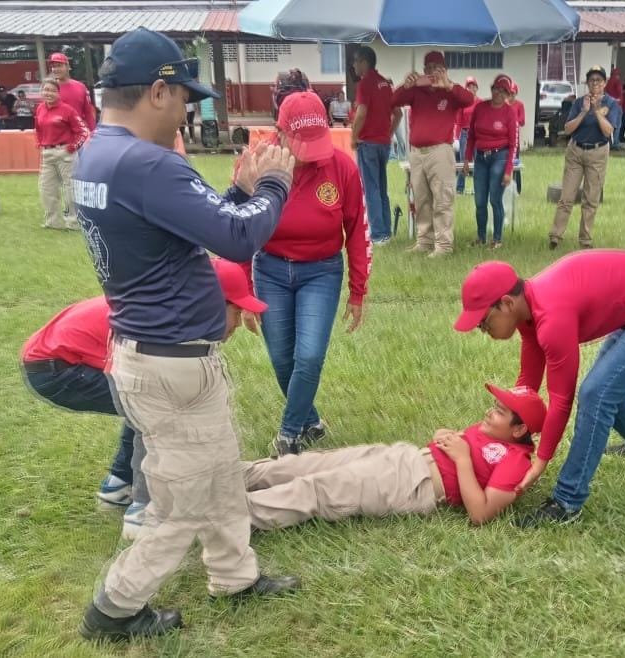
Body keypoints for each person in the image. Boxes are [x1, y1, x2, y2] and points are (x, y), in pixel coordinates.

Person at [72, 27, 299, 642]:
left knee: (221, 471)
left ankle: (235, 574)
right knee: (182, 502)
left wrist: (235, 196)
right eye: (183, 98)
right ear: (156, 91)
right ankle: (114, 609)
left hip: (154, 352)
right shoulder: (146, 162)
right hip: (172, 362)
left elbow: (181, 228)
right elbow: (236, 237)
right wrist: (274, 185)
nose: (187, 109)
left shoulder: (99, 154)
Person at [453, 252, 625, 526]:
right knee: (606, 386)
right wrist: (507, 433)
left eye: (483, 321)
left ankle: (567, 503)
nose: (483, 329)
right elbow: (526, 389)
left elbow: (561, 400)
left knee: (597, 393)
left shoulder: (551, 317)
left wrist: (540, 462)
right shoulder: (528, 312)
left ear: (506, 303)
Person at [21, 258, 269, 539]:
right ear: (209, 305)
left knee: (145, 402)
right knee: (155, 406)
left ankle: (118, 485)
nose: (236, 325)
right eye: (235, 313)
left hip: (54, 361)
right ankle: (143, 510)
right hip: (56, 368)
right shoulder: (162, 326)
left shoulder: (172, 309)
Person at [240, 91, 370, 457]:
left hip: (321, 271)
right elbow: (237, 228)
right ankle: (310, 422)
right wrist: (242, 290)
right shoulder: (257, 163)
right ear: (279, 133)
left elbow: (357, 230)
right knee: (282, 357)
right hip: (271, 268)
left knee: (309, 355)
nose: (312, 154)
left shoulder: (342, 168)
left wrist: (358, 290)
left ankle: (289, 435)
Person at [246, 384, 546, 529]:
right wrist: (448, 435)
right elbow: (464, 444)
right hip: (404, 457)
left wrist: (463, 458)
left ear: (519, 429)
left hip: (415, 484)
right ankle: (227, 475)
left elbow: (480, 514)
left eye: (499, 411)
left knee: (319, 488)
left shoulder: (516, 461)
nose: (489, 411)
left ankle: (232, 515)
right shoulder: (492, 432)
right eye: (494, 405)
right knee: (304, 464)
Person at [392, 51, 475, 256]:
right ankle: (424, 241)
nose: (431, 72)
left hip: (440, 150)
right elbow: (392, 100)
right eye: (428, 68)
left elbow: (469, 99)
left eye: (436, 68)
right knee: (421, 199)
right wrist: (406, 84)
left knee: (442, 199)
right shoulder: (417, 91)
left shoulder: (451, 90)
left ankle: (443, 245)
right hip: (417, 152)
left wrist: (448, 85)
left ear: (444, 69)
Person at [548, 65, 621, 250]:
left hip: (597, 152)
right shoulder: (579, 102)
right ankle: (555, 236)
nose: (594, 83)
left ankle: (585, 240)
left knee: (591, 199)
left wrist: (596, 110)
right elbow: (568, 129)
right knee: (567, 196)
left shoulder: (611, 104)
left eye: (598, 80)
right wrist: (583, 111)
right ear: (587, 83)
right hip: (576, 151)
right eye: (591, 80)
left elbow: (608, 131)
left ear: (604, 83)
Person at [351, 46, 401, 245]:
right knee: (381, 188)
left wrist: (353, 137)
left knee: (371, 188)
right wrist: (388, 134)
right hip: (383, 144)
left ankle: (378, 235)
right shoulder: (385, 84)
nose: (354, 65)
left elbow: (361, 113)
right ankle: (386, 230)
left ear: (364, 62)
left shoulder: (365, 84)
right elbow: (398, 114)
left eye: (355, 61)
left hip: (368, 144)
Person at [462, 74, 517, 249]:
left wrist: (508, 171)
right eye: (496, 89)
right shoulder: (480, 108)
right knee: (479, 201)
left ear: (508, 94)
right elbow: (470, 136)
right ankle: (481, 237)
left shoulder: (510, 112)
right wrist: (466, 158)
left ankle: (497, 239)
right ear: (491, 89)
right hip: (480, 157)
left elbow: (513, 144)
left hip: (500, 156)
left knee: (495, 199)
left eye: (503, 91)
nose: (498, 93)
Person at [34, 79, 89, 230]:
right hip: (47, 153)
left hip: (65, 152)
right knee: (46, 187)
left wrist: (73, 147)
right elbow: (38, 128)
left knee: (70, 188)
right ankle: (53, 222)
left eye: (52, 90)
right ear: (42, 92)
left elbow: (83, 131)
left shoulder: (68, 110)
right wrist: (39, 143)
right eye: (46, 90)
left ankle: (74, 222)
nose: (48, 93)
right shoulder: (40, 109)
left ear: (58, 93)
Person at [49, 52, 97, 132]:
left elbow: (88, 112)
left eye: (59, 66)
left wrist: (93, 132)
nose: (56, 69)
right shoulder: (50, 89)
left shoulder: (80, 87)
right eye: (53, 67)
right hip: (58, 137)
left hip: (78, 134)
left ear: (68, 67)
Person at [454, 76, 480, 194]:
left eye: (473, 86)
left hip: (477, 134)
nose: (471, 88)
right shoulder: (462, 103)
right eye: (469, 86)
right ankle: (460, 188)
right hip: (465, 133)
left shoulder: (480, 102)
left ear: (477, 88)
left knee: (478, 161)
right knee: (463, 160)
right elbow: (458, 122)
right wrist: (456, 138)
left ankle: (478, 188)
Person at [507, 83, 525, 193]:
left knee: (515, 163)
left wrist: (512, 121)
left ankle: (517, 188)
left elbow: (522, 120)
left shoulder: (519, 105)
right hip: (504, 138)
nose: (511, 95)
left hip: (515, 138)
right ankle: (505, 186)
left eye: (513, 93)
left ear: (516, 93)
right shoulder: (503, 104)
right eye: (509, 93)